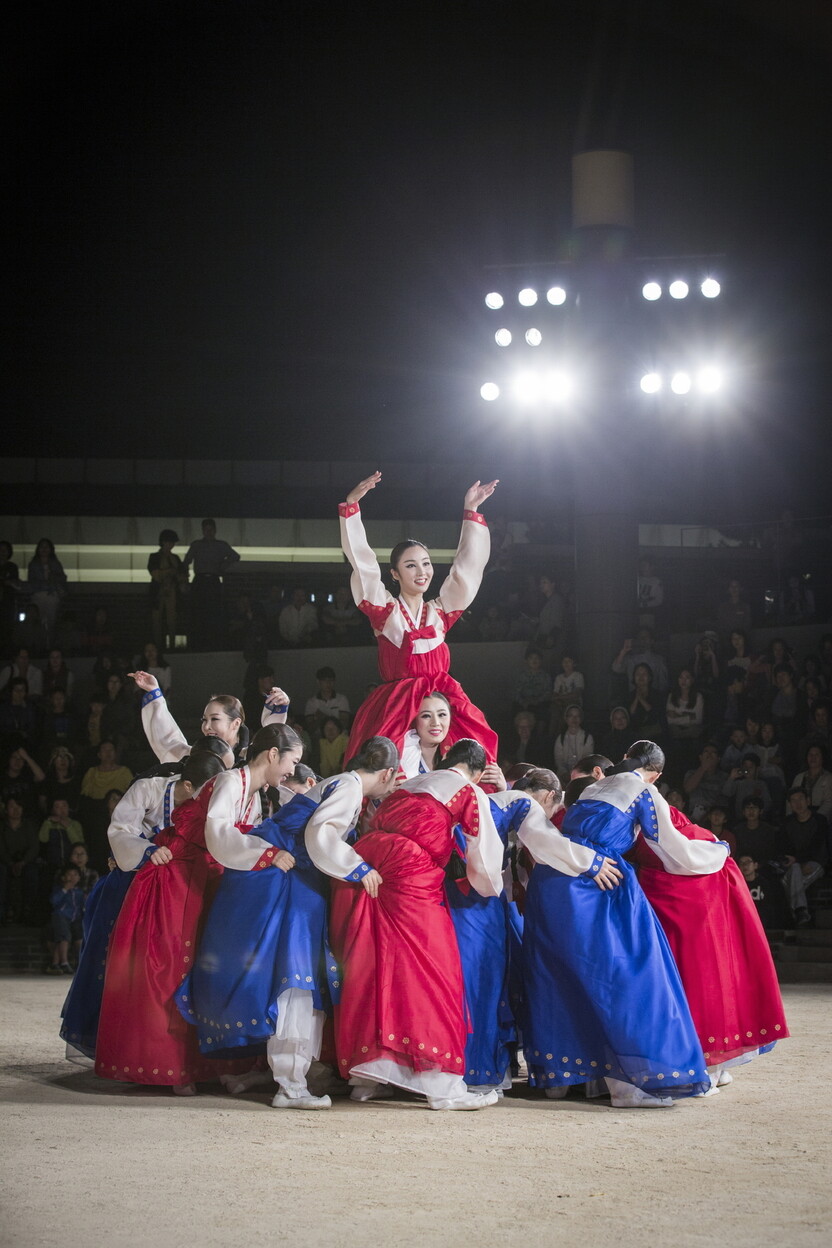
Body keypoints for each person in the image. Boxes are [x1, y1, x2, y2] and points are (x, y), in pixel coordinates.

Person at [177, 732, 395, 1110]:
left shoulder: (334, 785)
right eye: (292, 761)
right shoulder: (347, 787)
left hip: (285, 877)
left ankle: (290, 1078)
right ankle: (291, 1084)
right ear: (388, 773)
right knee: (297, 978)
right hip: (287, 879)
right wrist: (357, 868)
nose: (294, 768)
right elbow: (319, 833)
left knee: (292, 977)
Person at [524, 742, 728, 1108]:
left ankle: (571, 1078)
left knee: (564, 979)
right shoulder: (643, 791)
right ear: (657, 774)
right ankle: (631, 1086)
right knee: (631, 979)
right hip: (599, 881)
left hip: (554, 882)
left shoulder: (589, 788)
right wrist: (719, 851)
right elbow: (675, 850)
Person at [329, 739, 507, 1110]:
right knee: (431, 969)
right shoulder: (467, 789)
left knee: (375, 962)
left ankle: (368, 1075)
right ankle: (441, 1084)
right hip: (411, 873)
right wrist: (484, 888)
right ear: (477, 769)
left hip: (369, 864)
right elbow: (486, 863)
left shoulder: (406, 785)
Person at [94, 752, 255, 1095]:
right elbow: (121, 830)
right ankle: (166, 1065)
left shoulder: (227, 794)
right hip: (168, 882)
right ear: (188, 786)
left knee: (200, 970)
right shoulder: (153, 790)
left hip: (204, 880)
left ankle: (202, 1064)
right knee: (162, 969)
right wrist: (147, 848)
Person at [630, 780, 788, 1085]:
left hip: (671, 920)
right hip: (705, 920)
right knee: (711, 985)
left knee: (685, 990)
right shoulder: (699, 836)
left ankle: (691, 1064)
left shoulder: (641, 836)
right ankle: (713, 1066)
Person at [338, 471, 499, 768]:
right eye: (410, 566)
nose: (421, 571)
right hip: (399, 710)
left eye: (425, 564)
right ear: (396, 574)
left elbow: (467, 568)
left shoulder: (439, 612)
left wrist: (471, 511)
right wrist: (351, 508)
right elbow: (364, 565)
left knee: (476, 764)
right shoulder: (385, 613)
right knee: (388, 772)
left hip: (442, 704)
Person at [182, 519, 240, 650]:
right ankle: (199, 642)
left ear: (214, 530)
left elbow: (235, 556)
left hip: (213, 580)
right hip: (200, 580)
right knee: (198, 612)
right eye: (206, 530)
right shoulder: (196, 545)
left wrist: (223, 566)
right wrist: (185, 580)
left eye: (210, 530)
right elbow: (186, 562)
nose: (208, 532)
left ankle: (213, 642)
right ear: (203, 531)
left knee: (214, 612)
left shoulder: (221, 545)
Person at [780, 788, 828, 925]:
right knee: (794, 869)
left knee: (786, 882)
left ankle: (793, 914)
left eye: (800, 799)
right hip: (795, 865)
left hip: (816, 863)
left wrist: (801, 860)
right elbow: (785, 847)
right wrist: (796, 861)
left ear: (808, 801)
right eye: (793, 801)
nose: (798, 803)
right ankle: (801, 911)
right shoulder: (787, 822)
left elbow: (818, 846)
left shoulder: (820, 820)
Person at [147, 529, 185, 652]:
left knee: (171, 619)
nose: (171, 545)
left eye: (172, 543)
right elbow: (155, 574)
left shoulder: (174, 558)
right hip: (159, 592)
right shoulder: (155, 557)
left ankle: (172, 645)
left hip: (172, 592)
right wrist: (170, 572)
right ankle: (158, 647)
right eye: (170, 542)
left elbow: (181, 575)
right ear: (164, 542)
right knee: (156, 621)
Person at [27, 538, 67, 643]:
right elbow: (31, 581)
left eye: (46, 547)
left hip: (52, 594)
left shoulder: (55, 563)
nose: (44, 549)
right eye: (42, 547)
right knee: (38, 621)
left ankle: (50, 644)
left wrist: (53, 577)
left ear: (50, 549)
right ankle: (39, 643)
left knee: (51, 621)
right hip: (38, 594)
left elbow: (63, 578)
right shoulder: (33, 564)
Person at [552, 704, 594, 785]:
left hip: (582, 777)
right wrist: (565, 773)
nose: (574, 719)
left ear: (581, 719)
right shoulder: (561, 737)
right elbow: (559, 759)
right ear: (566, 718)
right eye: (571, 716)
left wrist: (576, 774)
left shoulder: (587, 737)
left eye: (577, 716)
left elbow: (587, 759)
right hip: (563, 778)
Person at [791, 745, 832, 821]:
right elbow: (791, 798)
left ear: (823, 758)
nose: (813, 758)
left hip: (821, 818)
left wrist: (814, 818)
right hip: (800, 816)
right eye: (810, 755)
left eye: (817, 755)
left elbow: (829, 803)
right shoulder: (799, 777)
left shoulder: (829, 778)